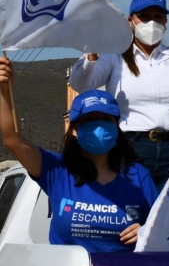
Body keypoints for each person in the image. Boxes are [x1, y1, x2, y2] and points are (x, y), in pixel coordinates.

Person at [0, 58, 157, 253]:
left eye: (106, 120)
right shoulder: (56, 171)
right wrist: (5, 93)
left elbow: (161, 231)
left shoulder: (138, 176)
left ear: (117, 126)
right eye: (89, 120)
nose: (98, 126)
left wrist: (147, 232)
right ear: (74, 129)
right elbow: (12, 140)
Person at [69, 0, 169, 192]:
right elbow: (81, 84)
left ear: (165, 21)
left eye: (158, 16)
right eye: (144, 16)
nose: (151, 22)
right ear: (131, 21)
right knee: (132, 213)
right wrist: (92, 53)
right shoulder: (115, 57)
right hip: (130, 148)